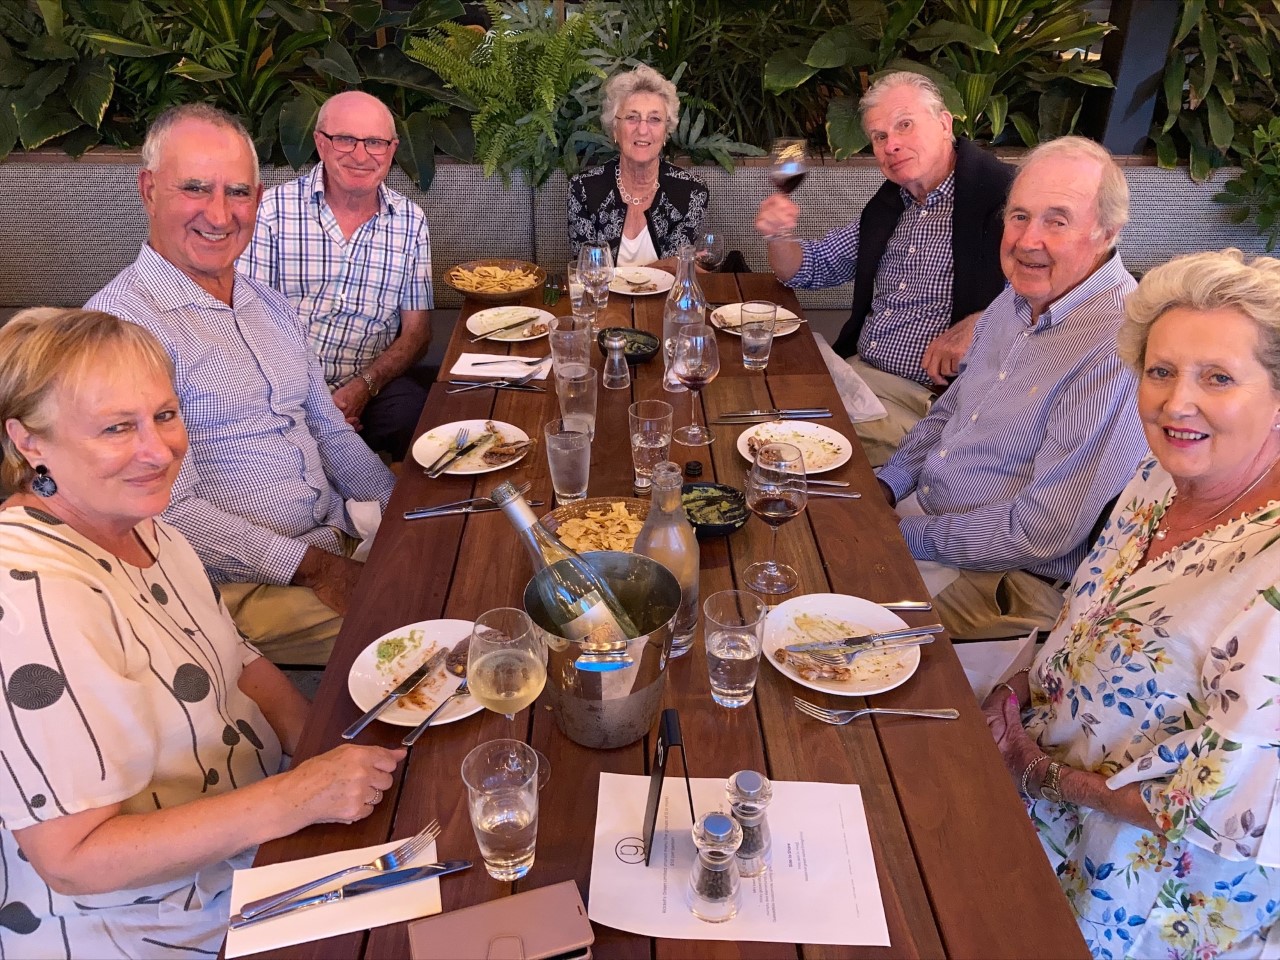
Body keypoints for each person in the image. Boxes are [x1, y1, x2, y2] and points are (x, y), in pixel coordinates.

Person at [0, 308, 405, 958]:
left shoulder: (146, 527)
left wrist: (317, 747)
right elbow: (73, 860)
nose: (159, 451)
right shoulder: (27, 598)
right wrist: (297, 796)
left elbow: (237, 657)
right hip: (159, 918)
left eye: (165, 415)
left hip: (254, 826)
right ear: (29, 442)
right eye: (116, 428)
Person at [982, 249, 1280, 957]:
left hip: (1139, 893)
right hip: (1033, 805)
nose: (1177, 403)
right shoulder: (1157, 478)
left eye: (1217, 378)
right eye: (1161, 371)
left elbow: (1219, 805)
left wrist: (1038, 771)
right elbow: (1091, 619)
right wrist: (1019, 687)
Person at [86, 103, 396, 666]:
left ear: (258, 199)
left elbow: (329, 431)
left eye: (237, 193)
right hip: (231, 586)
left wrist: (401, 512)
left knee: (466, 545)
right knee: (430, 615)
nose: (219, 214)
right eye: (195, 189)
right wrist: (316, 568)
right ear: (149, 191)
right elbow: (162, 511)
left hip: (333, 533)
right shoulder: (121, 331)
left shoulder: (265, 304)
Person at [877, 136, 1148, 640]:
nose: (1027, 240)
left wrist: (900, 535)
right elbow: (952, 408)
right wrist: (888, 483)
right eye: (1019, 216)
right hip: (931, 521)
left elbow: (1043, 531)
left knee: (819, 607)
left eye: (1057, 221)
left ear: (1107, 232)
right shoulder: (1018, 298)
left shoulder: (1118, 346)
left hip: (1006, 577)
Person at [755, 71, 1014, 465]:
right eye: (879, 136)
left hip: (934, 403)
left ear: (945, 124)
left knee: (778, 440)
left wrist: (983, 322)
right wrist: (779, 234)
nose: (891, 144)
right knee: (761, 393)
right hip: (859, 377)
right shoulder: (893, 204)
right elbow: (810, 267)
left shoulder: (1005, 198)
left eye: (904, 125)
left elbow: (1072, 289)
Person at [239, 90, 433, 461]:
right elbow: (246, 322)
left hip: (368, 388)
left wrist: (363, 387)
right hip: (282, 388)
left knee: (418, 415)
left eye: (374, 142)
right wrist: (315, 407)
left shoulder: (410, 222)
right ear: (320, 143)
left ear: (392, 150)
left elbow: (417, 333)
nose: (360, 156)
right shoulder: (271, 212)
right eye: (345, 139)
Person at [568, 64, 709, 266]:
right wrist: (666, 265)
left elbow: (676, 273)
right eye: (632, 118)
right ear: (615, 129)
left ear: (666, 132)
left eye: (654, 119)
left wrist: (672, 265)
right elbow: (589, 271)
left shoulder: (691, 192)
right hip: (604, 290)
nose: (642, 130)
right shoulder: (582, 189)